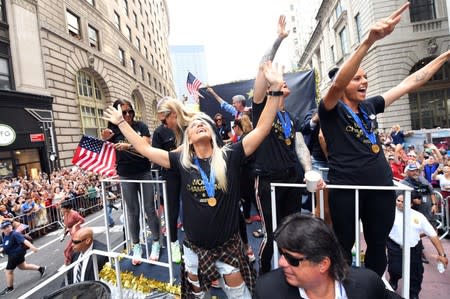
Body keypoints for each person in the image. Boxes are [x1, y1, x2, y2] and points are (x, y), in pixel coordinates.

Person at [104, 61, 284, 298]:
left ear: (210, 133)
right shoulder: (181, 161)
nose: (199, 124)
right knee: (196, 295)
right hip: (194, 251)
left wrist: (276, 91)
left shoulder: (230, 155)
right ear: (187, 135)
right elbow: (144, 149)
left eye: (203, 124)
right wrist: (121, 123)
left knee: (240, 295)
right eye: (194, 124)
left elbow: (261, 129)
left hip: (229, 248)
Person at [319, 2, 450, 276]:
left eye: (366, 77)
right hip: (346, 191)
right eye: (357, 78)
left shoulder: (370, 106)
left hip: (380, 188)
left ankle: (373, 287)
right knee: (343, 246)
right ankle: (343, 289)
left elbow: (409, 83)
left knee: (378, 246)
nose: (364, 82)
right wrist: (369, 40)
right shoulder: (329, 108)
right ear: (344, 85)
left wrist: (445, 56)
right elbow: (336, 85)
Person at [252, 15, 318, 274]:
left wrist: (309, 169)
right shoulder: (261, 107)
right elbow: (261, 67)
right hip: (268, 180)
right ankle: (264, 277)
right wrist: (278, 39)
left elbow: (299, 144)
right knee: (270, 233)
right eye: (279, 81)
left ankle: (290, 272)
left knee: (292, 230)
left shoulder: (289, 116)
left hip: (291, 179)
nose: (285, 82)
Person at [255, 213, 400, 299]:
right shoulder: (267, 291)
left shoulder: (367, 284)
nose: (281, 262)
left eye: (292, 259)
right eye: (282, 254)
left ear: (323, 264)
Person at [101, 99, 161, 265]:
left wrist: (128, 146)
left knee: (150, 208)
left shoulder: (140, 126)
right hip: (125, 174)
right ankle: (136, 246)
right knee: (132, 212)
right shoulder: (112, 131)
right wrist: (105, 140)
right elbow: (105, 151)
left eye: (130, 111)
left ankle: (156, 242)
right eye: (123, 112)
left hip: (143, 171)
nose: (127, 115)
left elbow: (147, 145)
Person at [154, 97, 197, 264]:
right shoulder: (160, 132)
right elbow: (159, 155)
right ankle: (173, 243)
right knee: (171, 209)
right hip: (171, 172)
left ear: (173, 114)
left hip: (190, 170)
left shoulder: (192, 123)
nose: (165, 125)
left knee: (192, 205)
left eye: (165, 120)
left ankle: (193, 243)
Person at [387, 194, 448, 299]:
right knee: (395, 269)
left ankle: (414, 294)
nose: (400, 203)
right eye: (398, 201)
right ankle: (394, 279)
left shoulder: (418, 216)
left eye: (403, 201)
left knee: (416, 274)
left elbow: (433, 235)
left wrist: (442, 254)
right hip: (395, 246)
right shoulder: (389, 213)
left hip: (414, 248)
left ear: (410, 204)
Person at [0, 221, 46, 296]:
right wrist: (1, 250)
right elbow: (6, 246)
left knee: (8, 271)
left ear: (11, 226)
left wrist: (32, 247)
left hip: (16, 254)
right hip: (14, 254)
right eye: (4, 228)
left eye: (8, 226)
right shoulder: (5, 236)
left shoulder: (15, 234)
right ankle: (41, 269)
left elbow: (24, 241)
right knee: (23, 266)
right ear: (2, 230)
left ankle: (10, 288)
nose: (7, 228)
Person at [61, 201, 85, 266]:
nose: (61, 209)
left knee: (68, 249)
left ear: (68, 208)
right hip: (71, 232)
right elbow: (66, 224)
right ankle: (74, 261)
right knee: (75, 248)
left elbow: (82, 220)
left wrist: (75, 225)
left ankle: (68, 263)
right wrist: (64, 233)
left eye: (63, 208)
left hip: (76, 232)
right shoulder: (65, 213)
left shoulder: (74, 213)